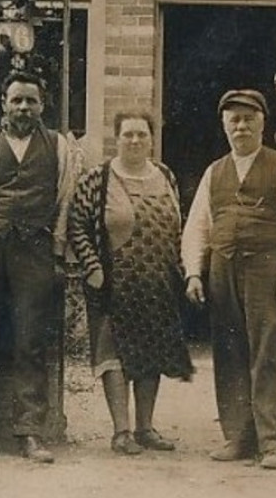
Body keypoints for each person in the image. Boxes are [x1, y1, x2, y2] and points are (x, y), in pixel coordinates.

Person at [181, 89, 276, 470]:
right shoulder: (215, 172)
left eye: (248, 119)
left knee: (270, 350)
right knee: (229, 352)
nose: (241, 126)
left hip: (268, 269)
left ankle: (274, 442)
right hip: (223, 270)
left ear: (262, 122)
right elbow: (197, 226)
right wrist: (194, 271)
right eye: (233, 120)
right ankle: (238, 437)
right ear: (224, 126)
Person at [0, 70, 82, 464]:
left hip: (35, 253)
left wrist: (56, 252)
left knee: (30, 342)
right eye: (16, 100)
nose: (23, 107)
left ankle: (30, 433)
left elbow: (64, 203)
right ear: (4, 104)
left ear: (42, 105)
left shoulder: (58, 147)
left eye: (31, 101)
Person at [67, 111, 194, 456]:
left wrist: (181, 271)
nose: (135, 141)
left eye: (142, 135)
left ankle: (145, 428)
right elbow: (77, 224)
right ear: (117, 138)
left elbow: (179, 227)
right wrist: (92, 267)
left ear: (152, 139)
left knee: (150, 352)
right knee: (114, 355)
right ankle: (121, 431)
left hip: (156, 283)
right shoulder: (99, 178)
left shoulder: (165, 175)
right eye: (128, 135)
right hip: (112, 282)